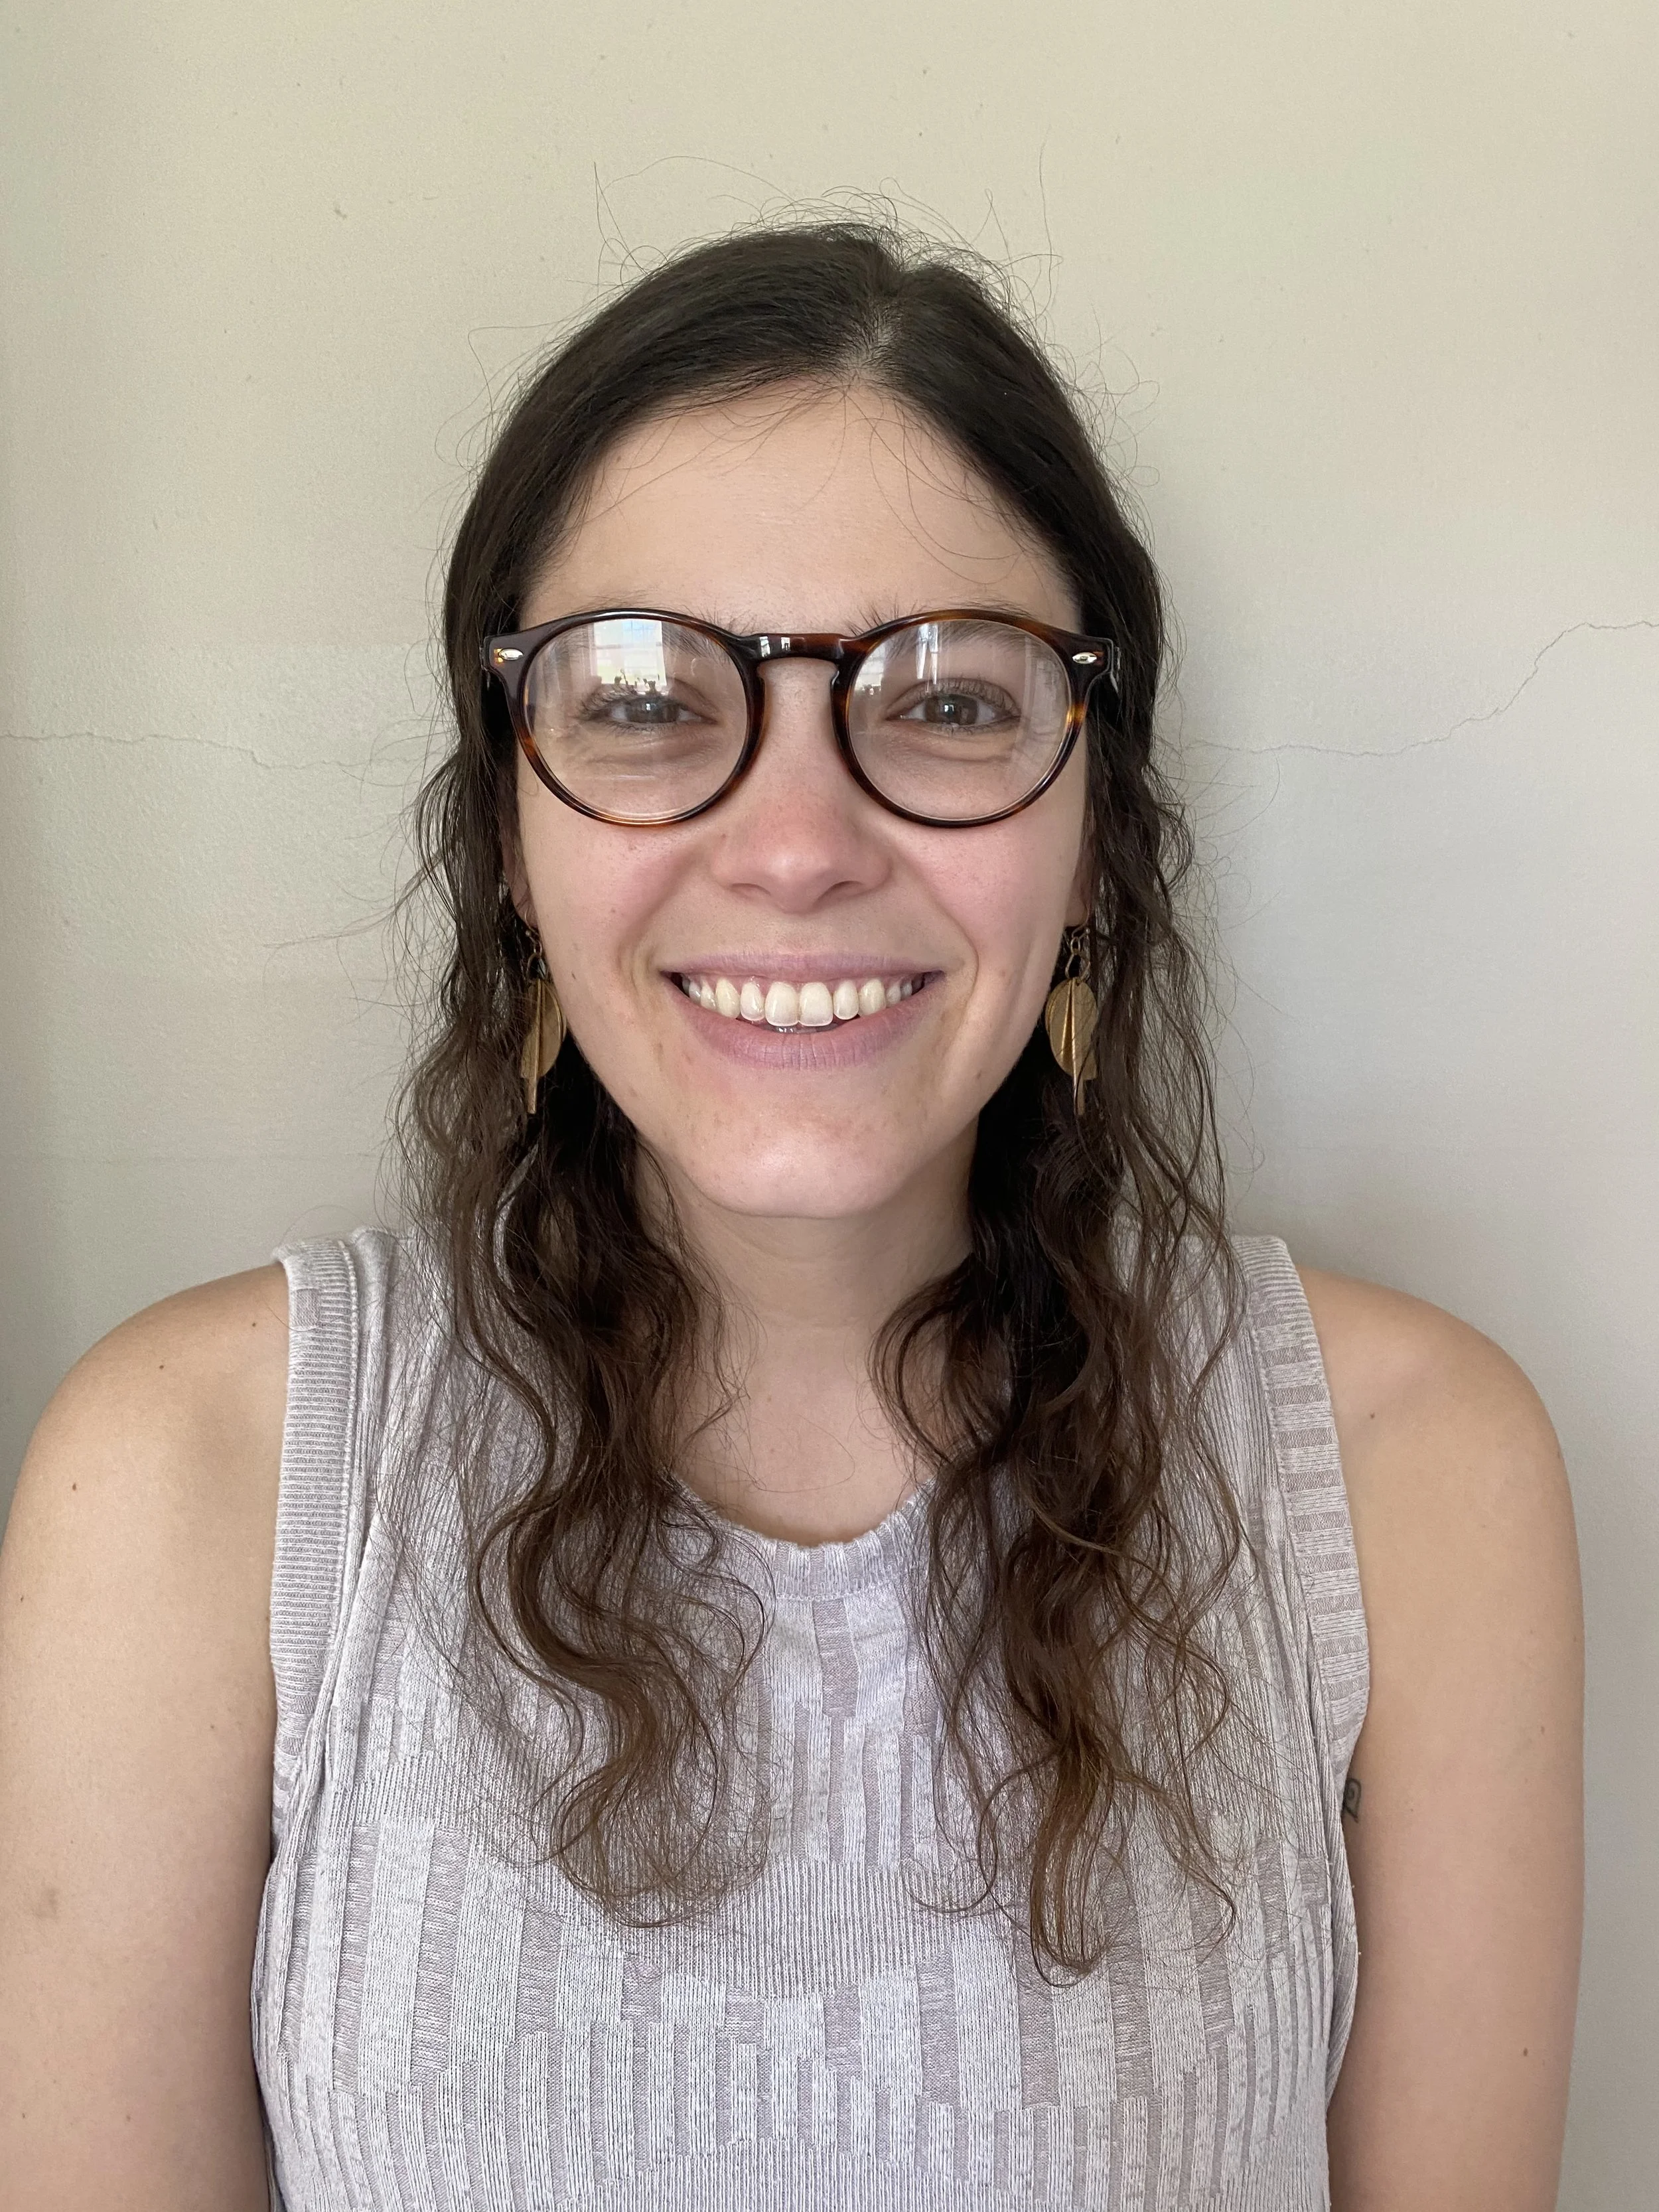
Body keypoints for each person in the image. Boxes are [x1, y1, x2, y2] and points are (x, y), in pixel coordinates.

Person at [0, 224, 1582, 2211]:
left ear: (1095, 831)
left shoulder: (1410, 1473)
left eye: (949, 703)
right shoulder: (187, 1480)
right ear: (512, 836)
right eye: (644, 699)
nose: (799, 846)